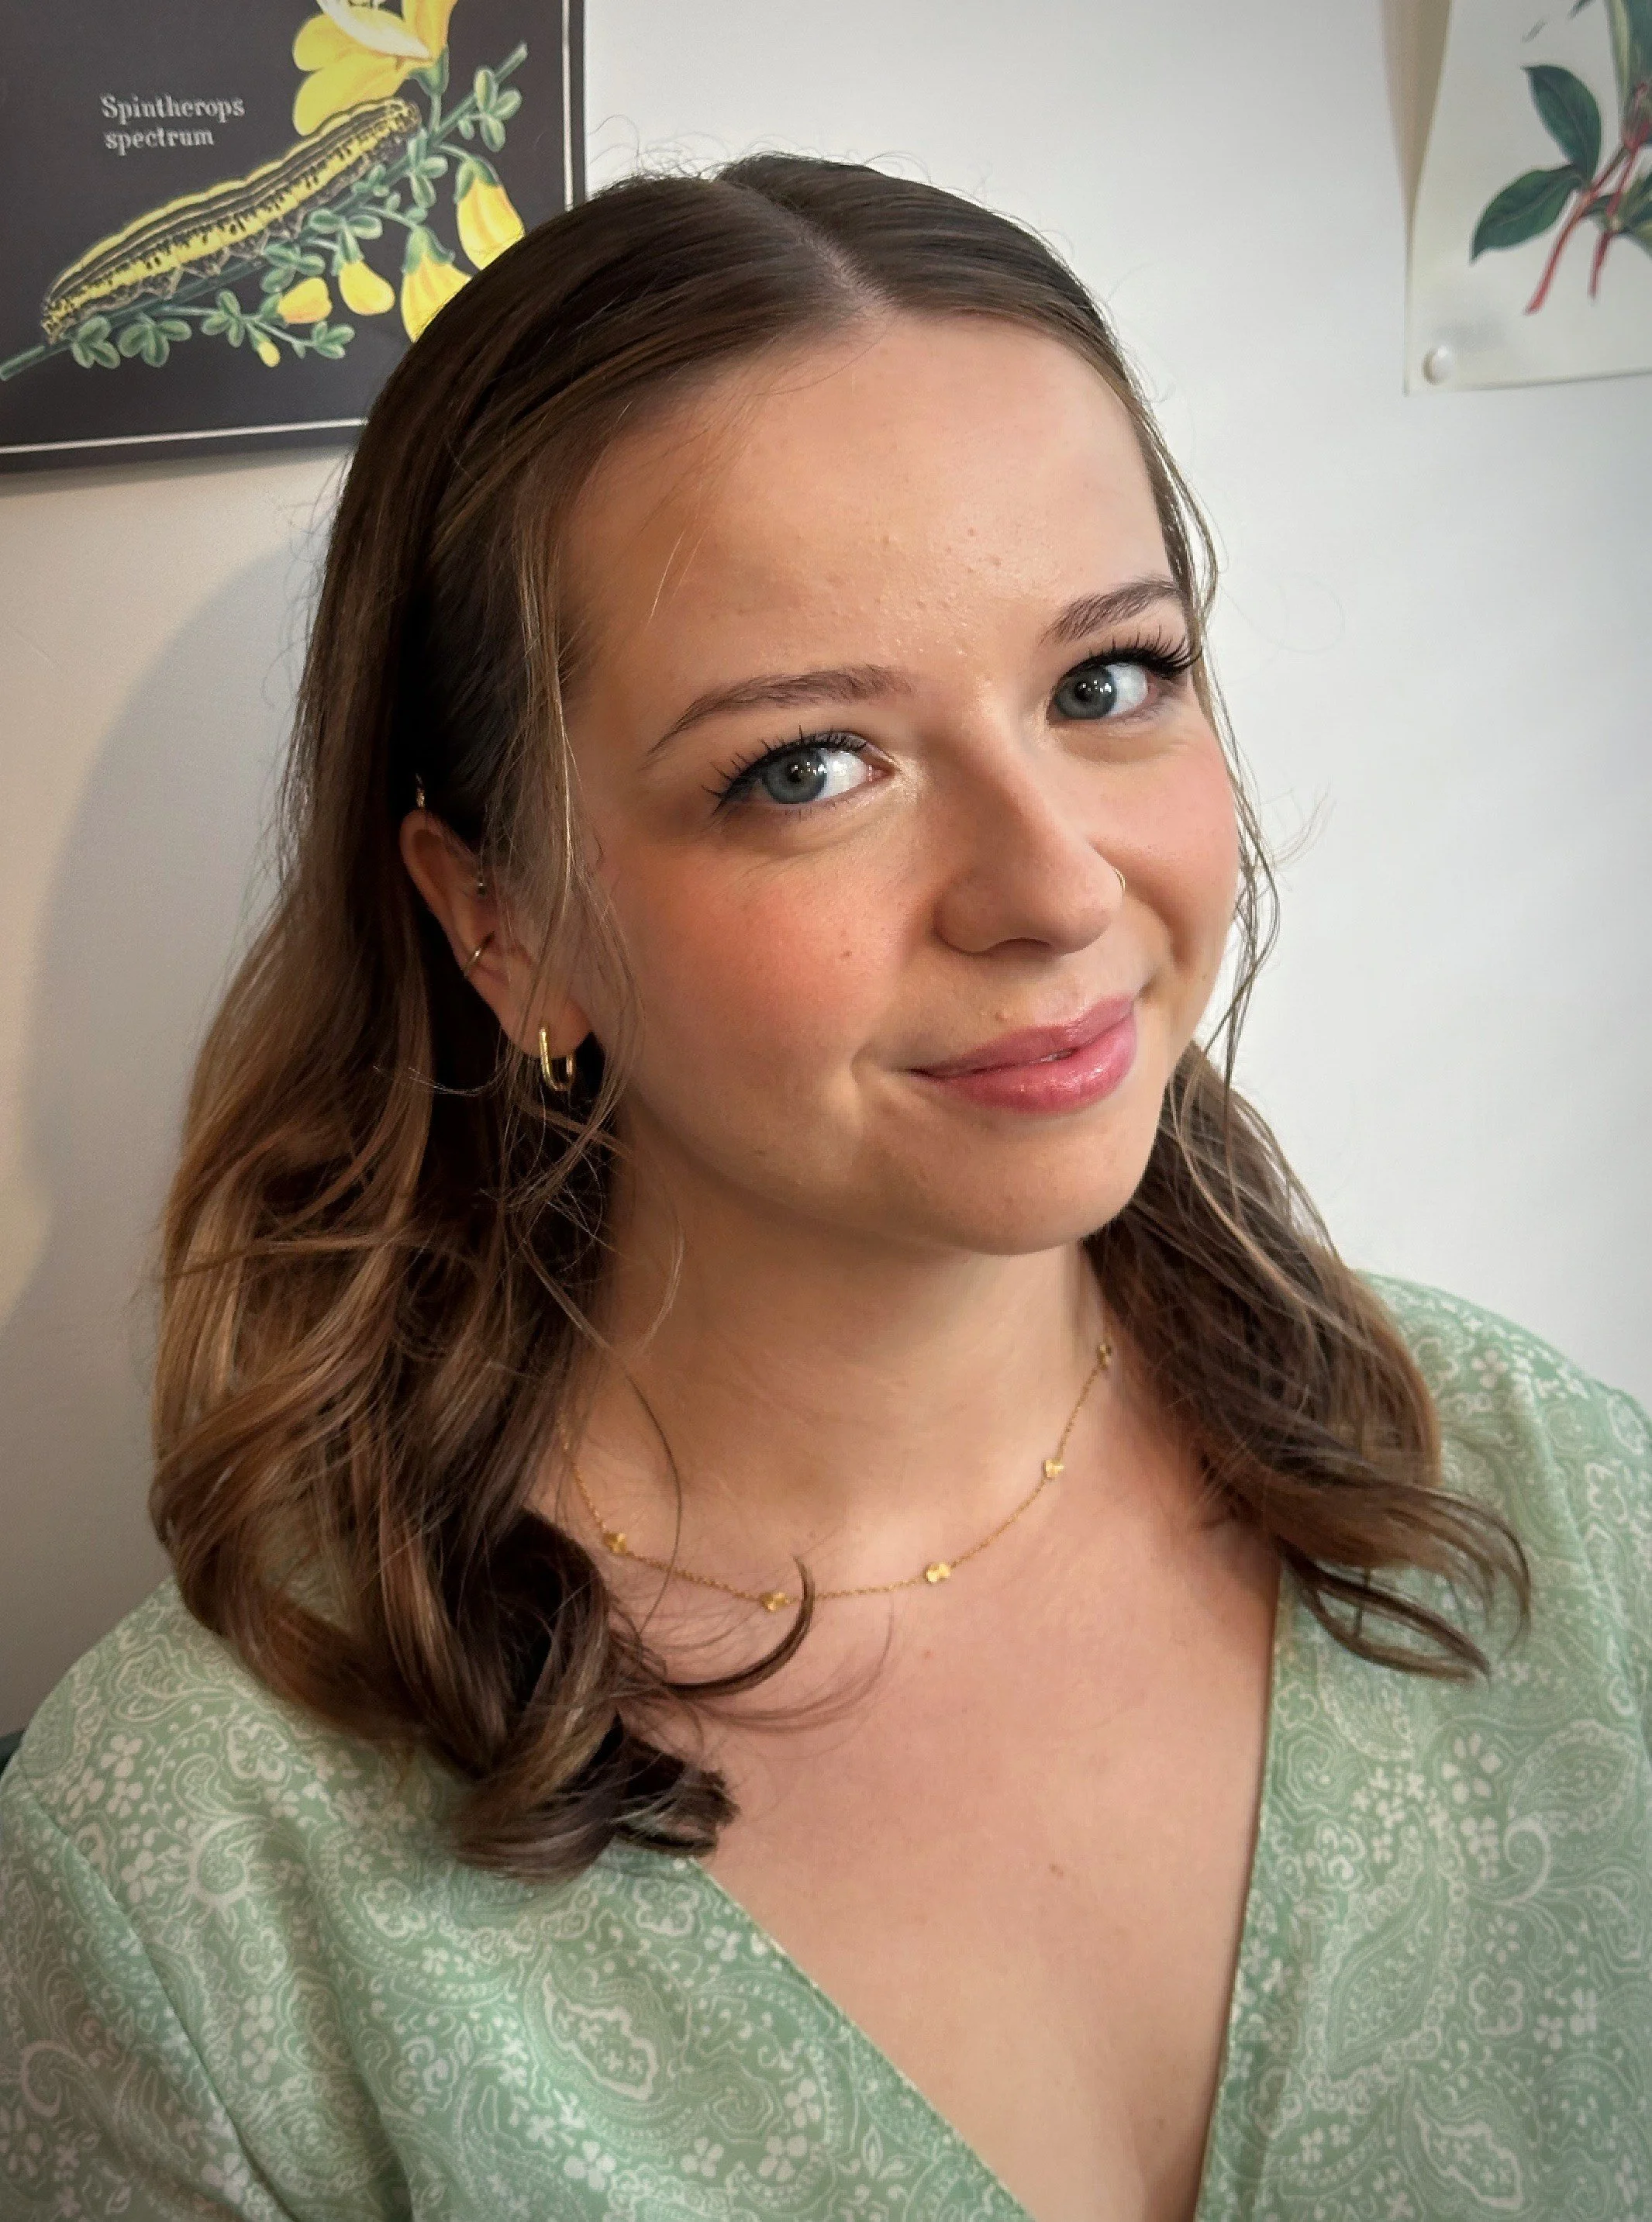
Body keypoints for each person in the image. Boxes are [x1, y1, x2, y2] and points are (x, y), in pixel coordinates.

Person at [0, 154, 1647, 2222]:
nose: (1054, 889)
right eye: (809, 768)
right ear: (503, 921)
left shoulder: (1567, 1519)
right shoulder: (201, 1881)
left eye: (1107, 681)